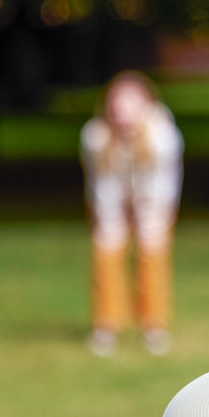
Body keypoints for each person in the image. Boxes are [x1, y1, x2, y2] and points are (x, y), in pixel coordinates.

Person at [80, 70, 184, 356]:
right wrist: (112, 218)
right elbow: (102, 183)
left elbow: (163, 183)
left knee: (152, 254)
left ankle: (153, 326)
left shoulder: (163, 136)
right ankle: (106, 325)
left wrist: (147, 214)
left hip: (153, 201)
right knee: (106, 251)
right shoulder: (95, 136)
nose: (123, 113)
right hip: (111, 200)